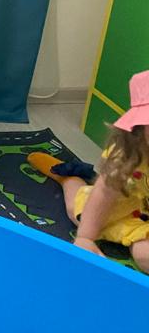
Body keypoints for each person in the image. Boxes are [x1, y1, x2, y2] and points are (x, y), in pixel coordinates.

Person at [28, 70, 149, 273]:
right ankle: (68, 178)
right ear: (138, 127)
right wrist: (85, 238)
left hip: (142, 214)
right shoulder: (126, 156)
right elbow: (104, 193)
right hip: (123, 207)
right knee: (79, 211)